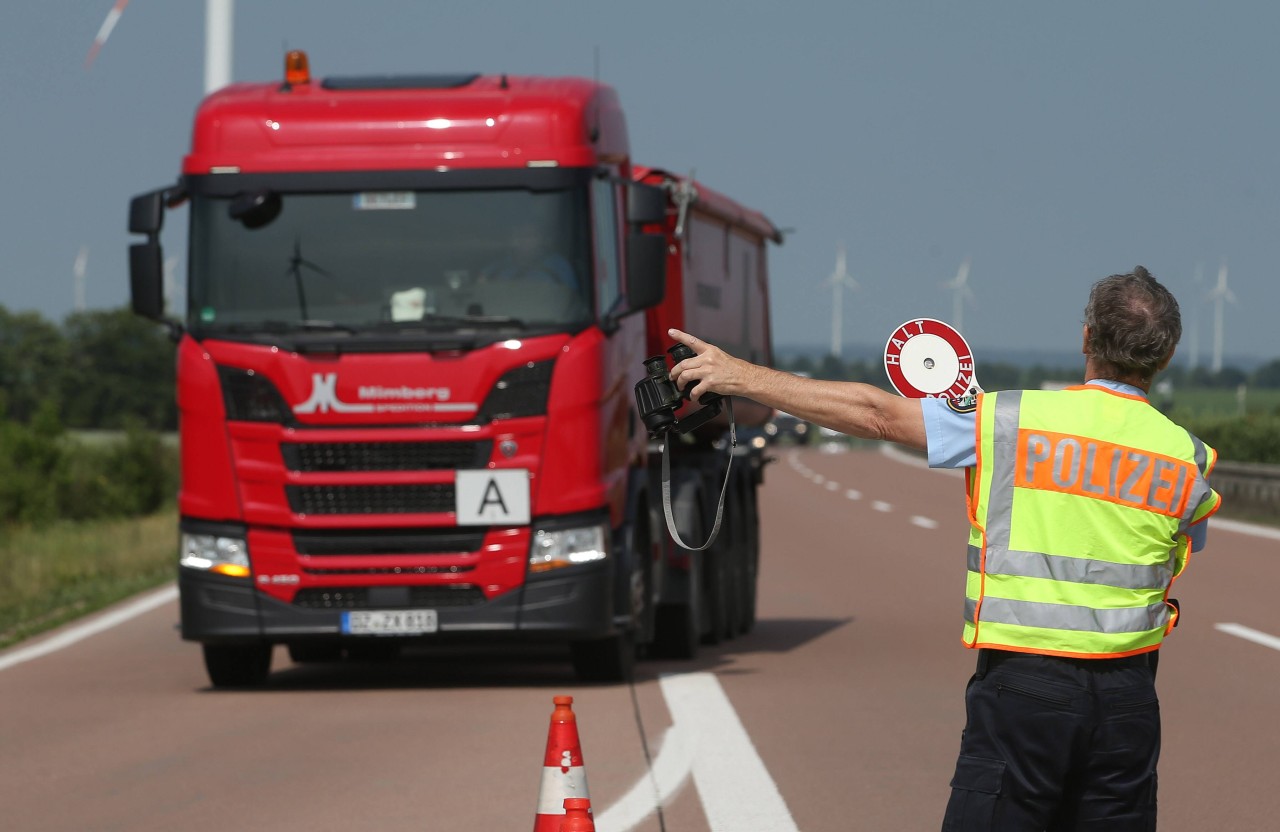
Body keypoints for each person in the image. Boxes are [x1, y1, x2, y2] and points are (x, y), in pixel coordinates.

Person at [667, 266, 1221, 830]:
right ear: (1167, 354)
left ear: (1085, 337)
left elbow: (876, 413)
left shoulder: (1010, 421)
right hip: (1129, 701)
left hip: (1027, 688)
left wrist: (737, 375)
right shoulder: (1189, 458)